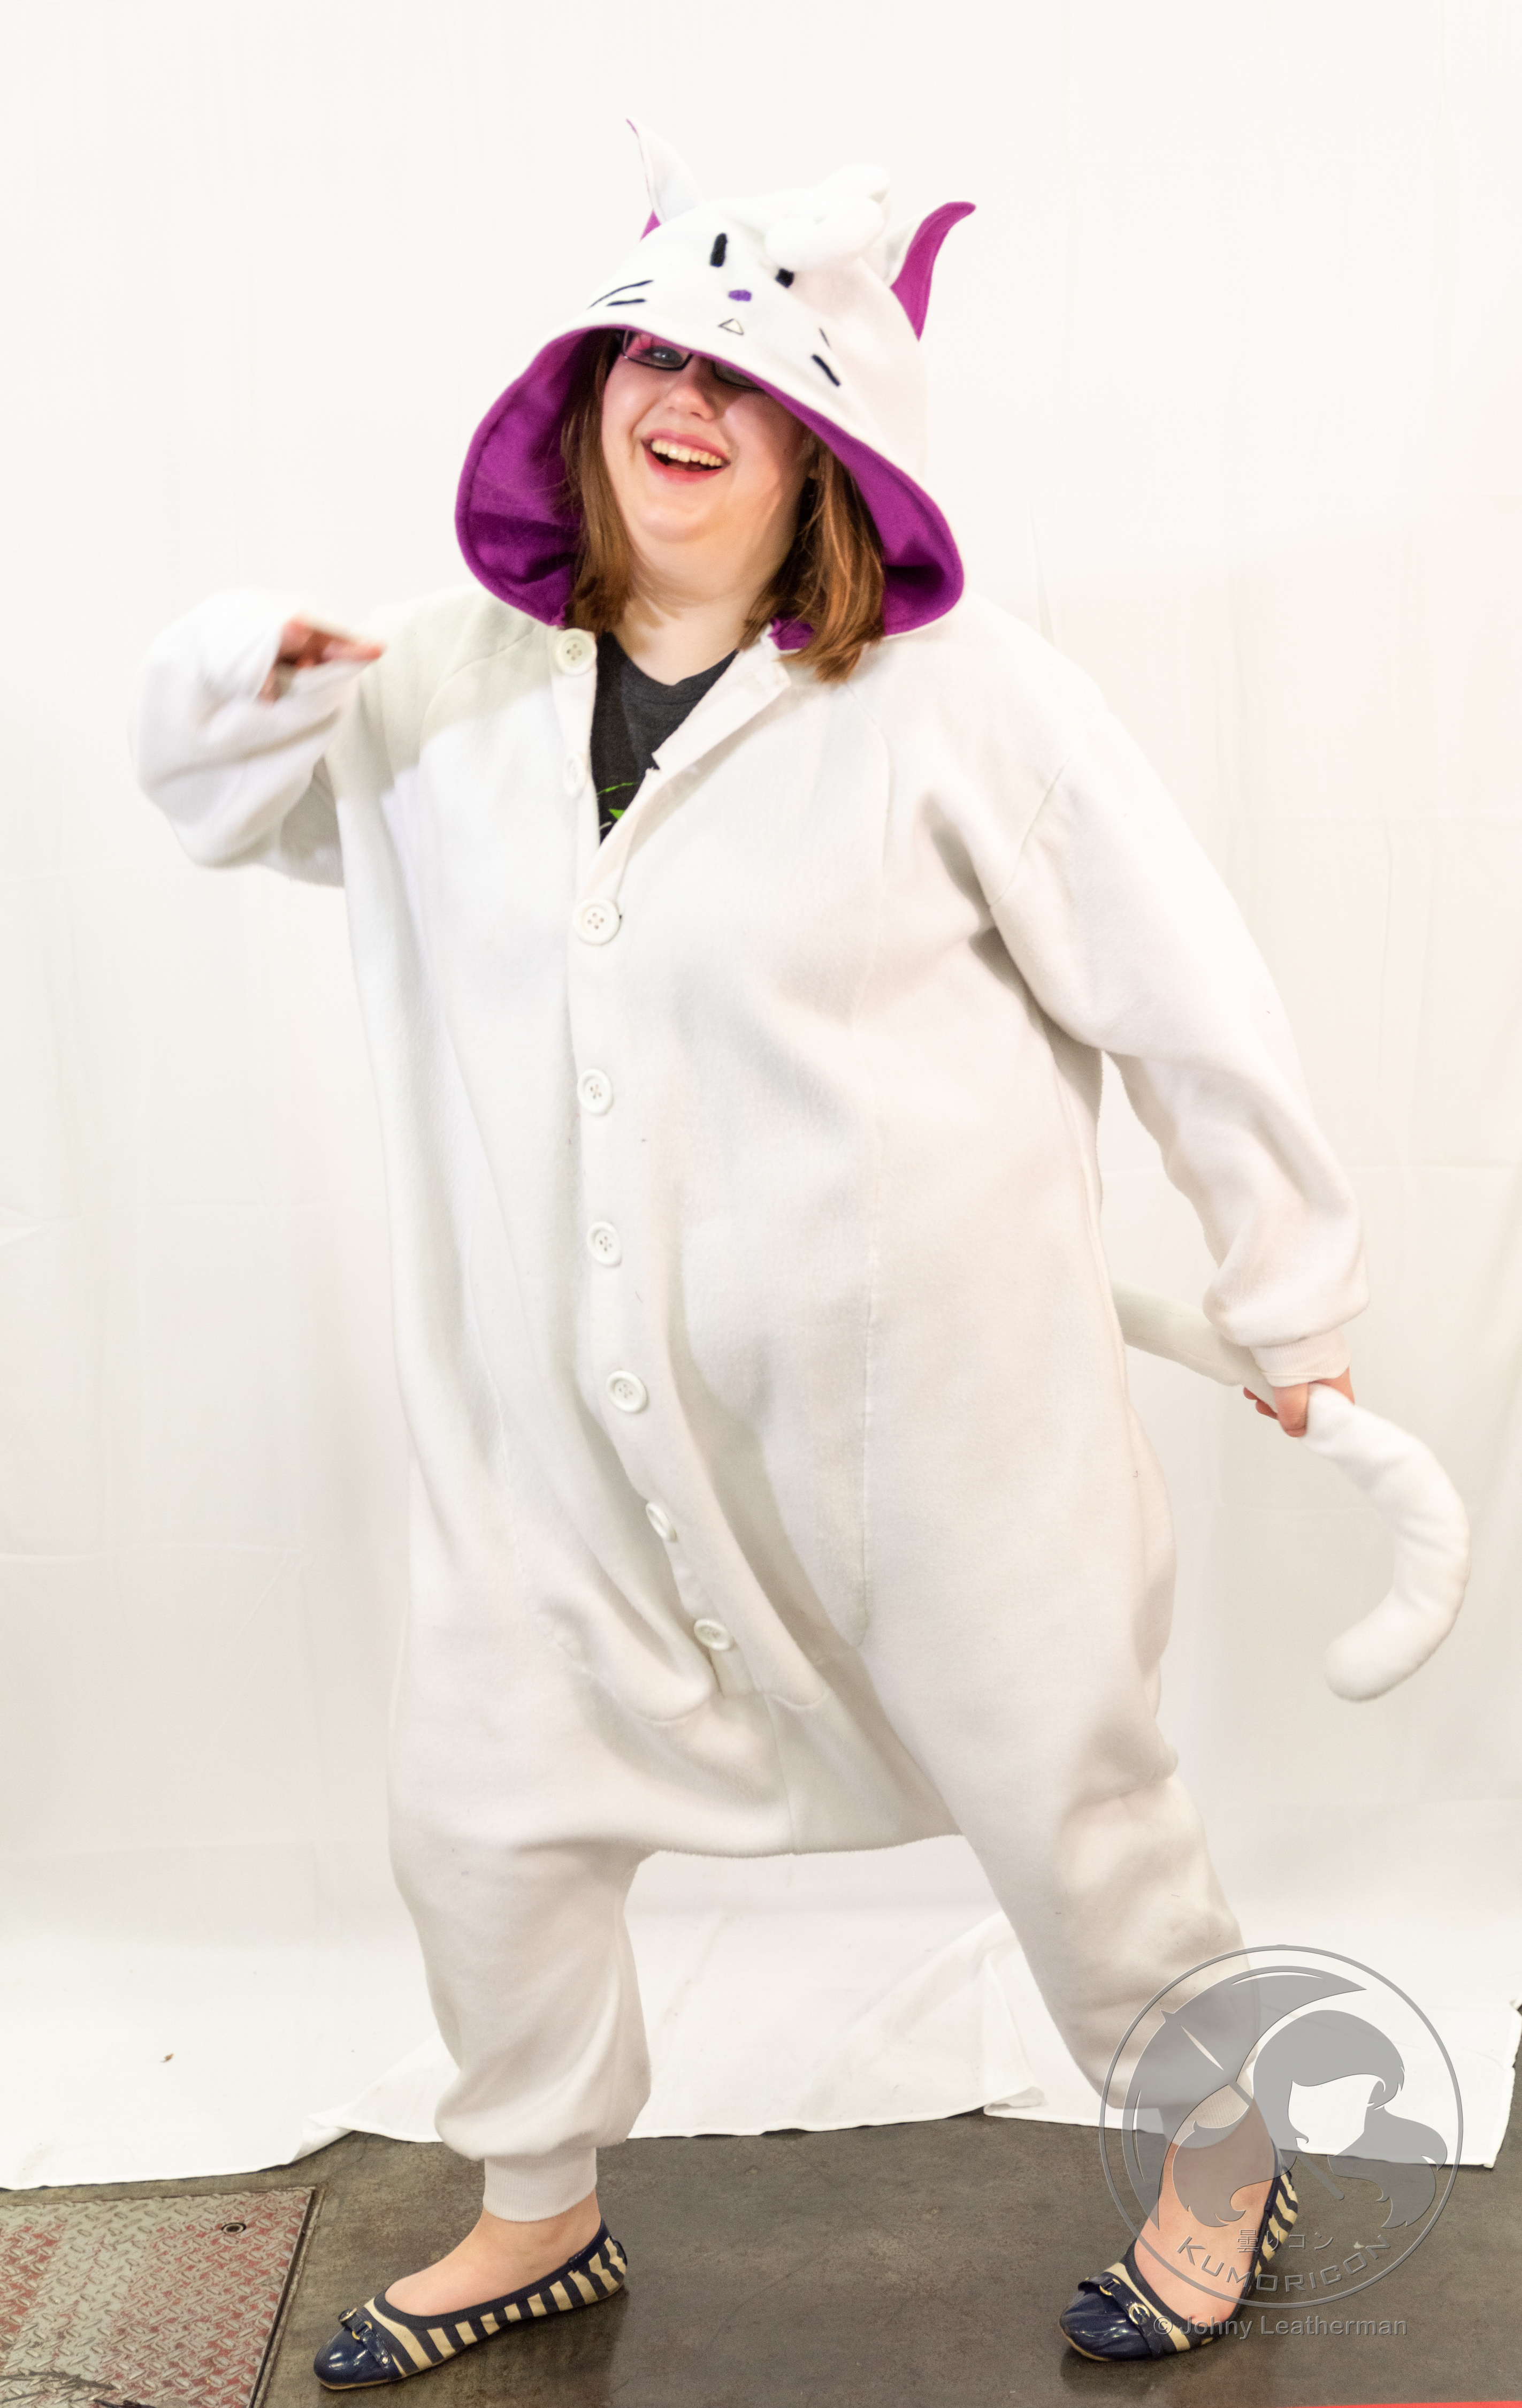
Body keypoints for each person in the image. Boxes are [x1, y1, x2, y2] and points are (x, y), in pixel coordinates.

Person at [129, 130, 1363, 2377]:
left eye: (749, 382)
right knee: (484, 1812)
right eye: (654, 362)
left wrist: (1285, 1292)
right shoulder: (447, 687)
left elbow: (1181, 991)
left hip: (934, 1445)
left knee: (1071, 1806)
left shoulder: (966, 703)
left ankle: (1218, 2150)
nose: (687, 402)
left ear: (826, 457)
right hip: (565, 1456)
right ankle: (536, 2207)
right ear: (583, 400)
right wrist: (245, 670)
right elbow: (224, 801)